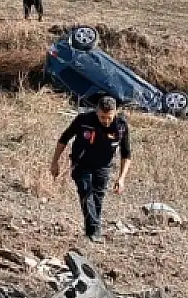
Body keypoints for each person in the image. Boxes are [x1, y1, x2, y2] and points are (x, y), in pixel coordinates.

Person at [49, 97, 132, 243]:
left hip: (103, 166)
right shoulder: (84, 120)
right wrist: (54, 162)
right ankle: (94, 231)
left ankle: (91, 231)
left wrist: (121, 178)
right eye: (102, 117)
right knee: (86, 192)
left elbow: (126, 154)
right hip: (81, 162)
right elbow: (64, 138)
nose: (105, 121)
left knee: (98, 197)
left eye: (109, 117)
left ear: (115, 113)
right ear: (96, 111)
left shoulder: (121, 126)